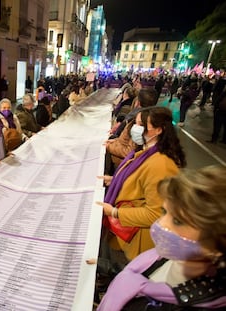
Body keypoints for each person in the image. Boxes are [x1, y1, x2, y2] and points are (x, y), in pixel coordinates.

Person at [97, 165, 226, 310]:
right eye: (164, 211)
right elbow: (144, 274)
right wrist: (103, 266)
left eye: (178, 221)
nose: (161, 223)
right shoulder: (166, 255)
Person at [97, 106, 187, 273]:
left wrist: (115, 213)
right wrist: (116, 180)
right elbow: (138, 182)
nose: (134, 129)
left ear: (158, 130)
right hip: (121, 231)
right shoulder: (145, 152)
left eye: (140, 124)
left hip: (133, 239)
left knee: (121, 273)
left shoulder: (162, 164)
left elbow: (156, 213)